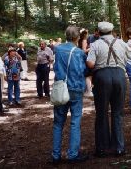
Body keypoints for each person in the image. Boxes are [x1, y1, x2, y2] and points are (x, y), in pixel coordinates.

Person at [86, 21, 131, 157]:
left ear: (99, 32)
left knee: (101, 113)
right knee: (117, 113)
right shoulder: (121, 43)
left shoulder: (95, 45)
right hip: (119, 75)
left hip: (102, 77)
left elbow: (90, 64)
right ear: (112, 32)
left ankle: (101, 148)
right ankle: (119, 147)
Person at [51, 26, 88, 164]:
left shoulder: (58, 49)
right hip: (75, 89)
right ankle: (72, 155)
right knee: (75, 122)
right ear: (77, 37)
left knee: (58, 123)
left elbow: (56, 67)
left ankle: (55, 156)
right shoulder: (79, 53)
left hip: (61, 88)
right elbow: (81, 70)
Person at [78, 29, 93, 97]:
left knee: (86, 75)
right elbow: (84, 51)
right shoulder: (84, 41)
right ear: (84, 35)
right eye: (87, 34)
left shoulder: (80, 41)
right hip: (85, 58)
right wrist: (90, 48)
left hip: (82, 59)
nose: (88, 35)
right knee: (88, 75)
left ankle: (86, 90)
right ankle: (89, 91)